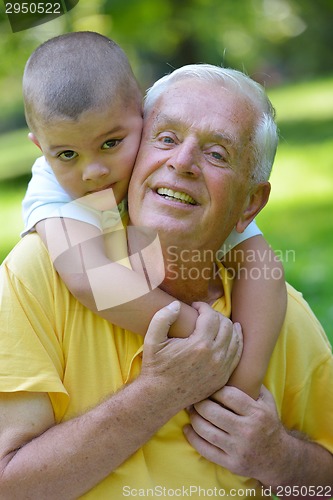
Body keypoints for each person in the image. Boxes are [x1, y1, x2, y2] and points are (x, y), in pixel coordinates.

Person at [0, 62, 332, 499]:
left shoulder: (278, 313)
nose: (183, 162)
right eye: (167, 138)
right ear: (137, 149)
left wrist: (277, 458)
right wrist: (159, 392)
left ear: (250, 204)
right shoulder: (38, 274)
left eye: (217, 154)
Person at [20, 31, 286, 400]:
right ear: (41, 147)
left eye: (111, 144)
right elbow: (90, 278)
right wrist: (198, 333)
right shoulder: (51, 187)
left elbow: (262, 267)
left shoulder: (168, 159)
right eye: (67, 155)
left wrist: (242, 384)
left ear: (142, 117)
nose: (93, 171)